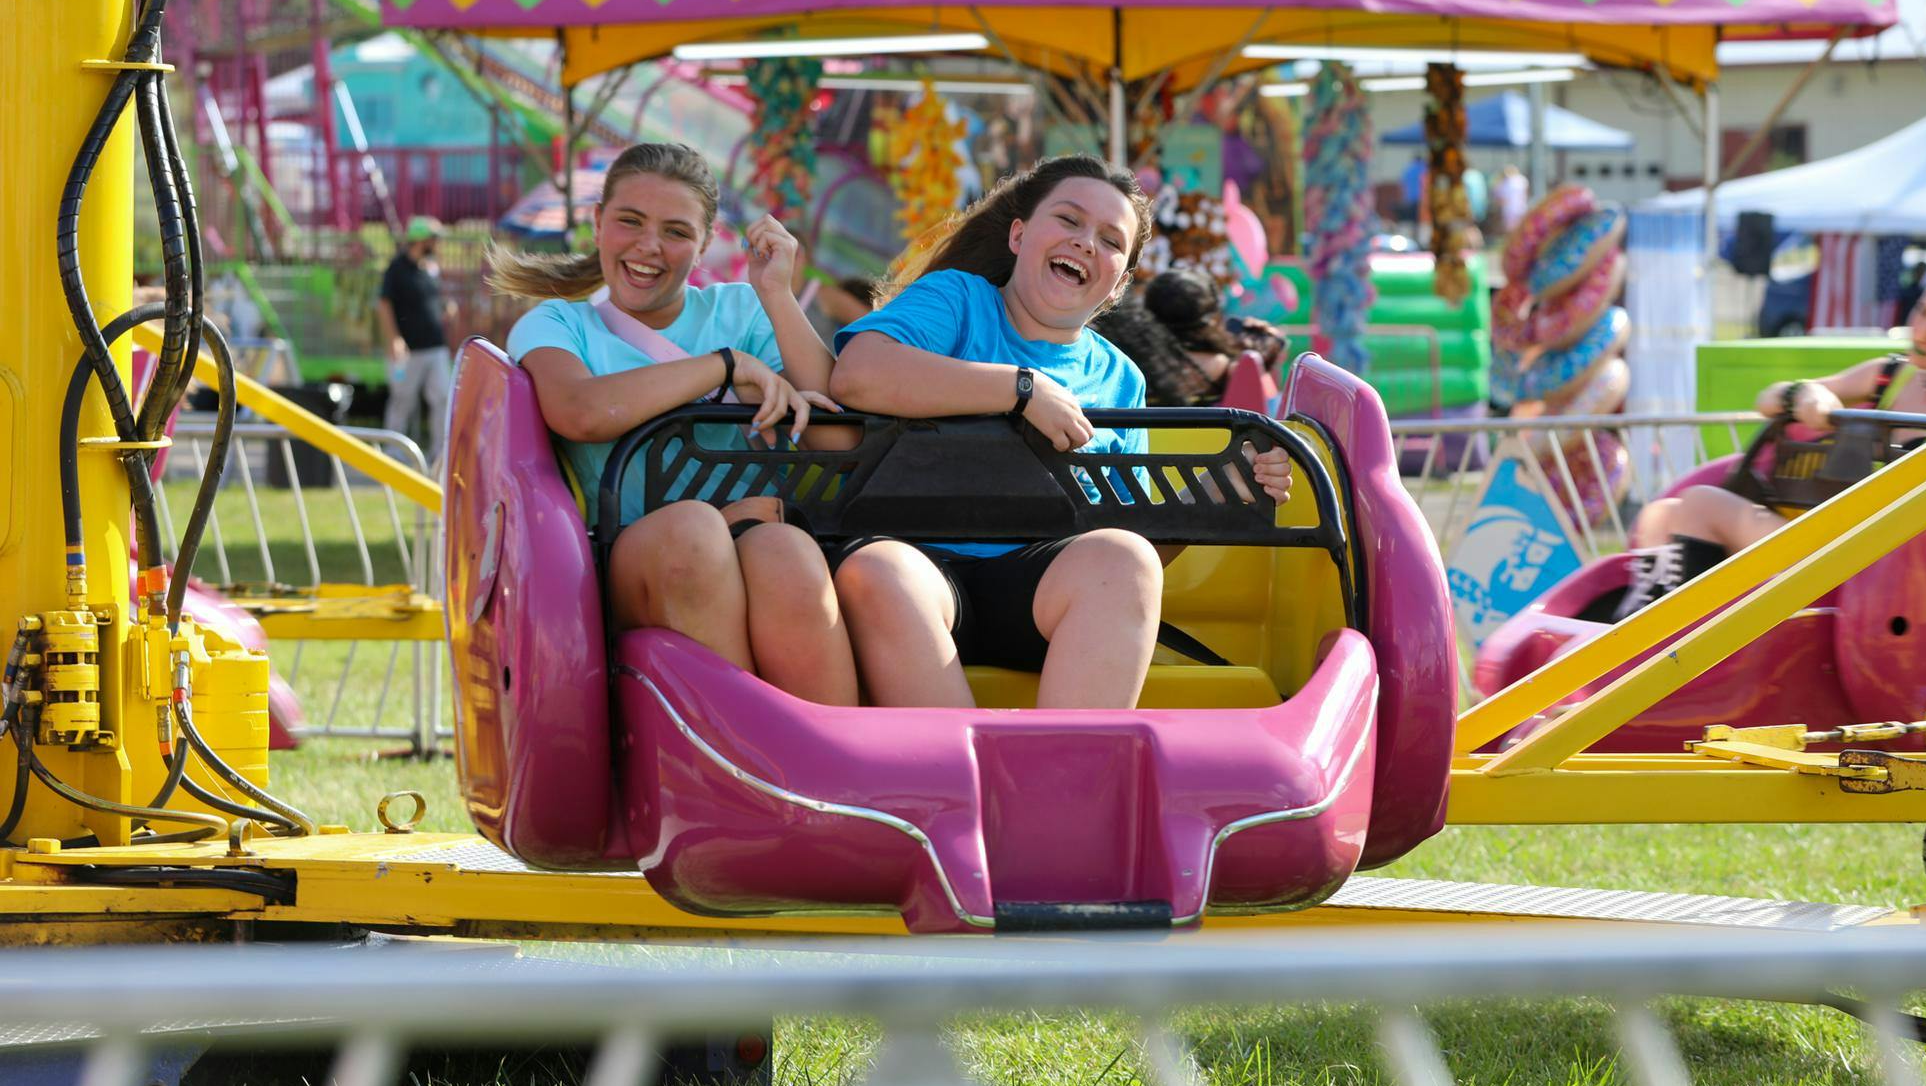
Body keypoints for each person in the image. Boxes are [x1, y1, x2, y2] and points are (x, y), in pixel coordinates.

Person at [827, 155, 1293, 709]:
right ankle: (951, 783)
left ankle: (1066, 781)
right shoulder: (958, 300)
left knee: (1125, 559)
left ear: (1119, 284)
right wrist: (1020, 390)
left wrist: (1212, 498)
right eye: (1069, 221)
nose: (1085, 243)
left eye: (1110, 240)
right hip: (917, 570)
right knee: (878, 571)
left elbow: (1128, 542)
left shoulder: (1121, 379)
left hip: (1037, 598)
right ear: (1019, 235)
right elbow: (858, 374)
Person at [490, 143, 857, 705]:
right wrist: (725, 367)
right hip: (630, 558)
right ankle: (743, 757)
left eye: (676, 232)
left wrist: (777, 295)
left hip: (750, 534)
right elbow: (581, 411)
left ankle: (832, 768)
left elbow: (840, 435)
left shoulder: (741, 311)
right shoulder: (560, 322)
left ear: (706, 245)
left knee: (788, 555)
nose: (649, 247)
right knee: (694, 534)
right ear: (597, 223)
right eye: (630, 222)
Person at [1615, 257, 1926, 618]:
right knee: (1660, 514)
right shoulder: (1889, 374)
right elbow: (1768, 399)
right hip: (1834, 538)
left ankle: (1664, 637)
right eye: (1923, 311)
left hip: (1885, 570)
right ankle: (1654, 627)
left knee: (1700, 504)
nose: (1923, 332)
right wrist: (1805, 395)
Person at [1141, 266, 1290, 405]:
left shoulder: (1133, 359)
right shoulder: (1231, 366)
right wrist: (1269, 339)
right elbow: (1268, 407)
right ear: (1210, 314)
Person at [378, 215, 454, 469]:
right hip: (408, 351)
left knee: (443, 397)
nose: (437, 243)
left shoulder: (429, 267)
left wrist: (445, 307)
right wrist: (394, 339)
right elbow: (384, 305)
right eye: (434, 238)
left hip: (435, 347)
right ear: (421, 239)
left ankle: (439, 454)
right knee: (402, 399)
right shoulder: (397, 268)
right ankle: (392, 452)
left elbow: (431, 298)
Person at [1494, 164, 1530, 235]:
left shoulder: (1504, 182)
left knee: (1510, 231)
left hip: (1509, 210)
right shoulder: (1522, 180)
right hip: (1521, 208)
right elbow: (1526, 193)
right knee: (1522, 229)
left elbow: (1499, 197)